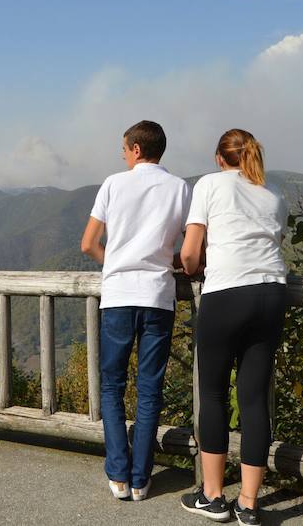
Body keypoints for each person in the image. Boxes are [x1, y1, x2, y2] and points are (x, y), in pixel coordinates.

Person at [179, 129, 288, 525]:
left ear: (219, 158)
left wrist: (190, 267)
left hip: (227, 294)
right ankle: (248, 503)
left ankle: (212, 496)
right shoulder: (274, 193)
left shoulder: (209, 185)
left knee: (213, 394)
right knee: (254, 398)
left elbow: (191, 252)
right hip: (272, 293)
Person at [81, 120, 190, 502]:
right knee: (149, 390)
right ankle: (142, 479)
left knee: (112, 387)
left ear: (137, 149)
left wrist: (117, 261)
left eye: (124, 149)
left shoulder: (113, 184)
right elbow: (192, 247)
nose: (123, 155)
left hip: (118, 296)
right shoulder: (180, 188)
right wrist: (164, 259)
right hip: (159, 295)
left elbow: (88, 244)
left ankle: (118, 475)